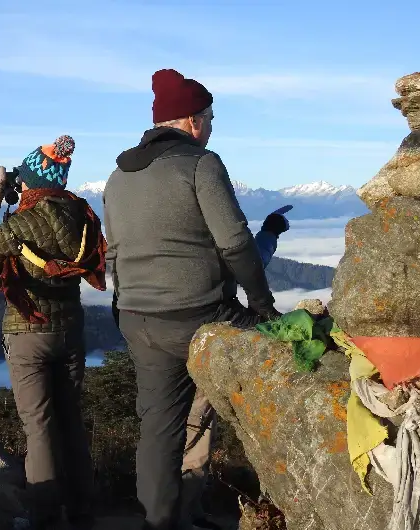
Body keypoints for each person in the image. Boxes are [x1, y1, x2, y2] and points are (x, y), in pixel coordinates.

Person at [102, 69, 289, 530]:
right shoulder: (202, 165)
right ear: (190, 120)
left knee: (159, 427)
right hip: (198, 314)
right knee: (283, 370)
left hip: (136, 317)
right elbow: (235, 244)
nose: (211, 125)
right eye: (208, 116)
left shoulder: (116, 176)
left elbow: (116, 250)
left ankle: (159, 522)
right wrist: (263, 309)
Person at [0, 135, 108, 529]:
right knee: (70, 422)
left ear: (30, 181)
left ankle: (44, 516)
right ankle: (81, 513)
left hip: (28, 333)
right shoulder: (82, 214)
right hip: (71, 330)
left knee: (39, 427)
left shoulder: (25, 220)